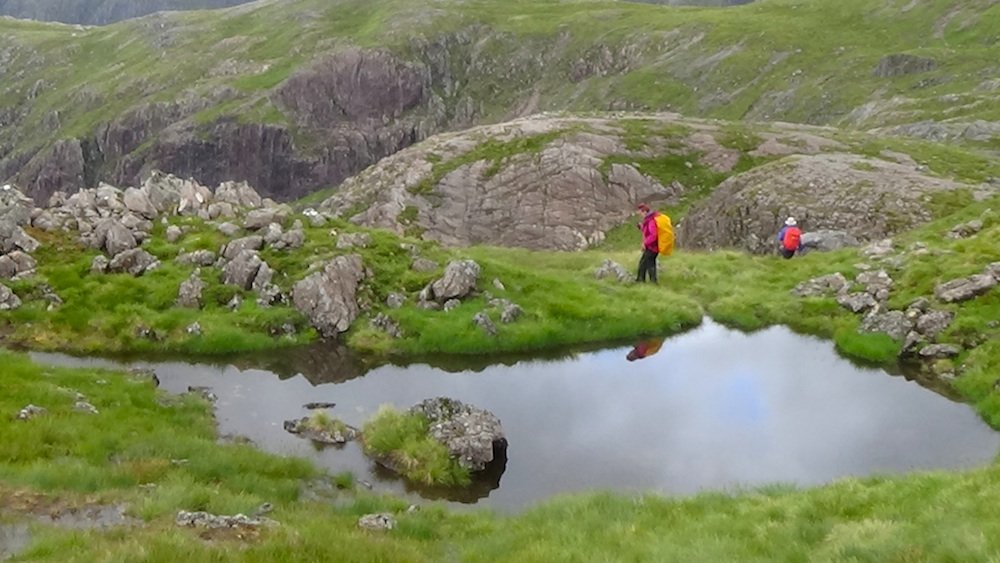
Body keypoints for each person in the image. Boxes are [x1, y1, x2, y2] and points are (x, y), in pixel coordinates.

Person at [635, 203, 659, 283]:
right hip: (653, 247)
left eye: (640, 213)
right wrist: (641, 227)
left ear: (644, 211)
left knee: (644, 264)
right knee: (648, 264)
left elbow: (653, 235)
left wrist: (645, 243)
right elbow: (648, 232)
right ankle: (651, 281)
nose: (640, 215)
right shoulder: (650, 219)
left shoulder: (651, 221)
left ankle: (641, 281)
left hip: (652, 247)